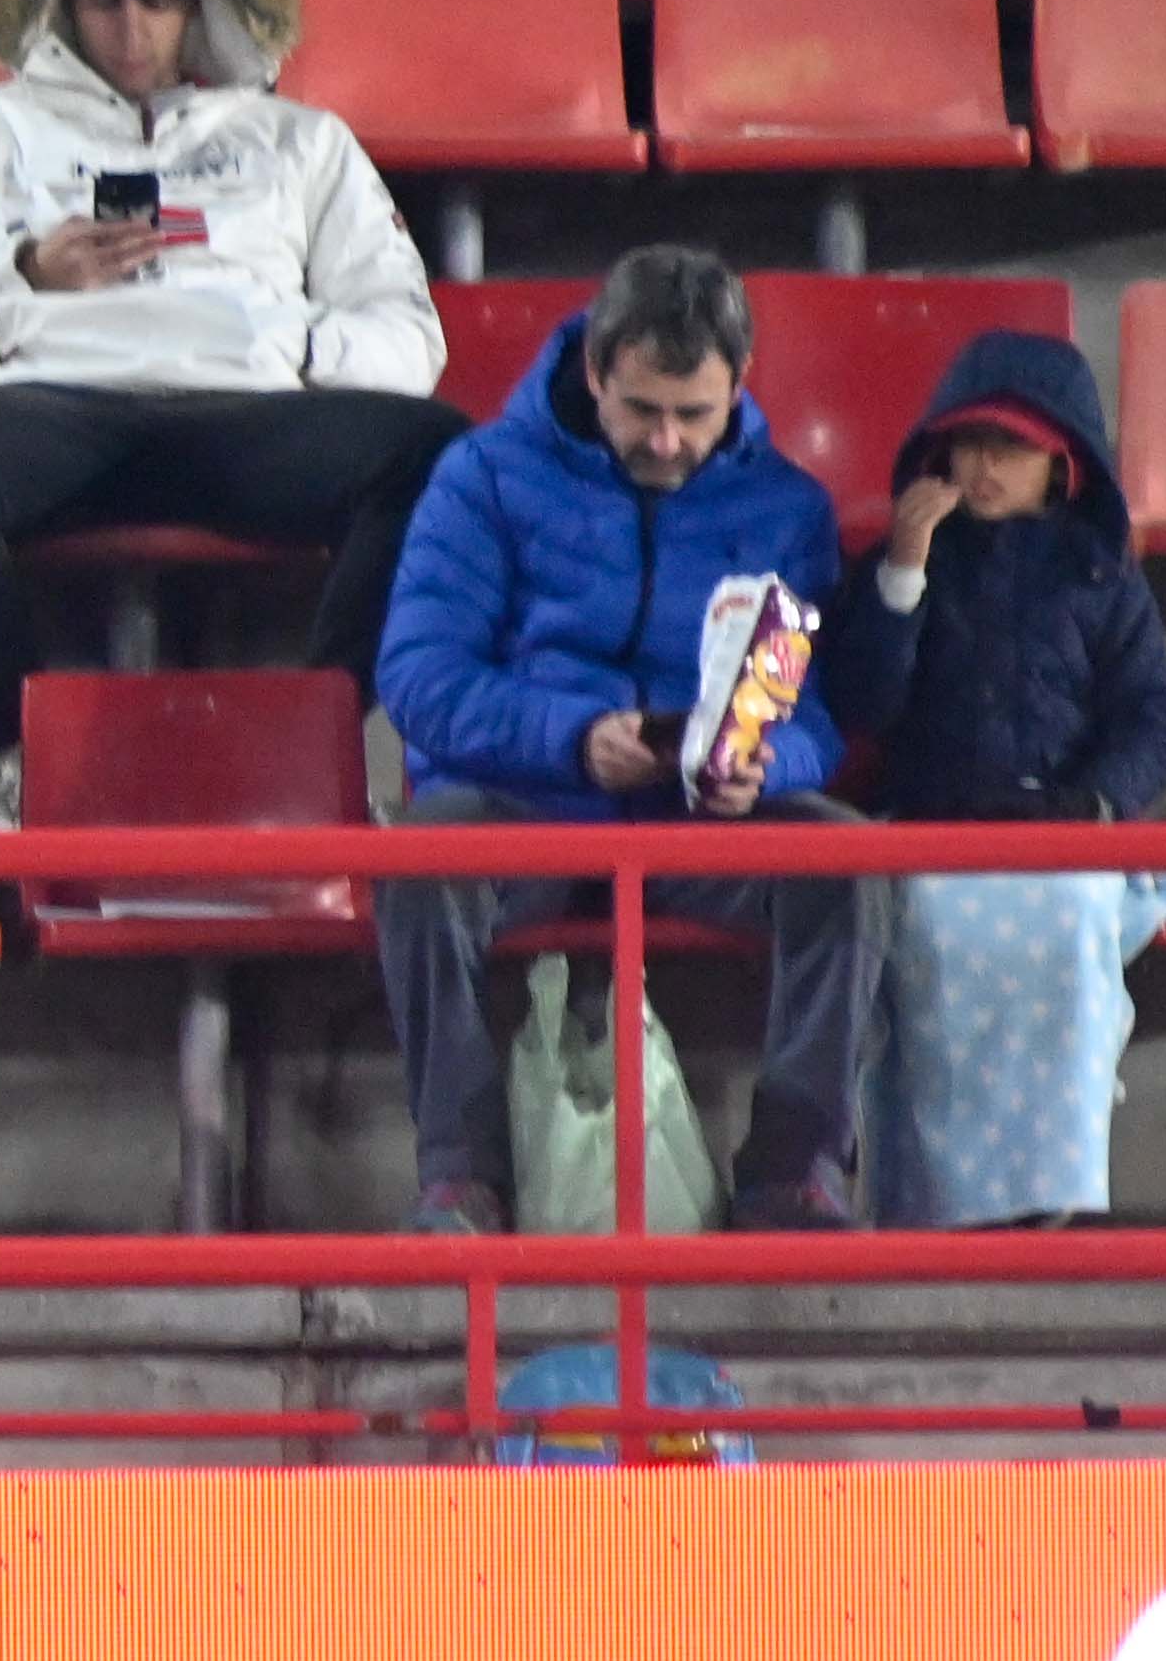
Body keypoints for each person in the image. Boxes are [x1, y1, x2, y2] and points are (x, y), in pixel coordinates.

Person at [0, 0, 454, 766]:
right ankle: (21, 745)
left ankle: (323, 741)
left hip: (252, 414)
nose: (132, 33)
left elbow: (407, 338)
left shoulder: (300, 139)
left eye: (156, 5)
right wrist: (19, 271)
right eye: (106, 4)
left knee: (432, 450)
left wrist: (288, 336)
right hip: (49, 414)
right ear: (62, 5)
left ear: (200, 5)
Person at [369, 251, 878, 1235]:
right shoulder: (481, 476)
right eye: (644, 407)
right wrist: (569, 737)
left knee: (846, 861)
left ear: (741, 381)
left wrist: (768, 763)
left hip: (698, 815)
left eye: (697, 413)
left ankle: (796, 1171)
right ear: (596, 369)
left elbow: (809, 711)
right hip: (524, 799)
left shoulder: (786, 506)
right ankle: (460, 1177)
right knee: (417, 867)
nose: (669, 439)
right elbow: (419, 677)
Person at [813, 328, 1166, 1228]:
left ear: (1062, 465)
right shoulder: (906, 565)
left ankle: (1055, 1192)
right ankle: (938, 1198)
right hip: (930, 826)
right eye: (972, 444)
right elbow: (863, 699)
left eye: (1013, 449)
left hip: (1061, 833)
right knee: (930, 936)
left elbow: (1149, 717)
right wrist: (902, 572)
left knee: (1070, 926)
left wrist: (1097, 802)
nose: (985, 469)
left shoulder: (1105, 580)